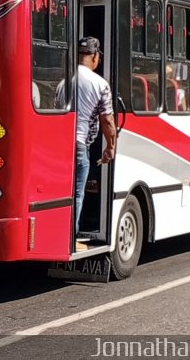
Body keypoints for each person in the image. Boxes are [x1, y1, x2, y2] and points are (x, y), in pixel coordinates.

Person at [73, 36, 116, 233]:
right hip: (81, 145)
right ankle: (71, 234)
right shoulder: (100, 84)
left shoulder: (64, 79)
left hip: (60, 145)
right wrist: (110, 146)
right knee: (77, 192)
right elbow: (107, 120)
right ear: (95, 57)